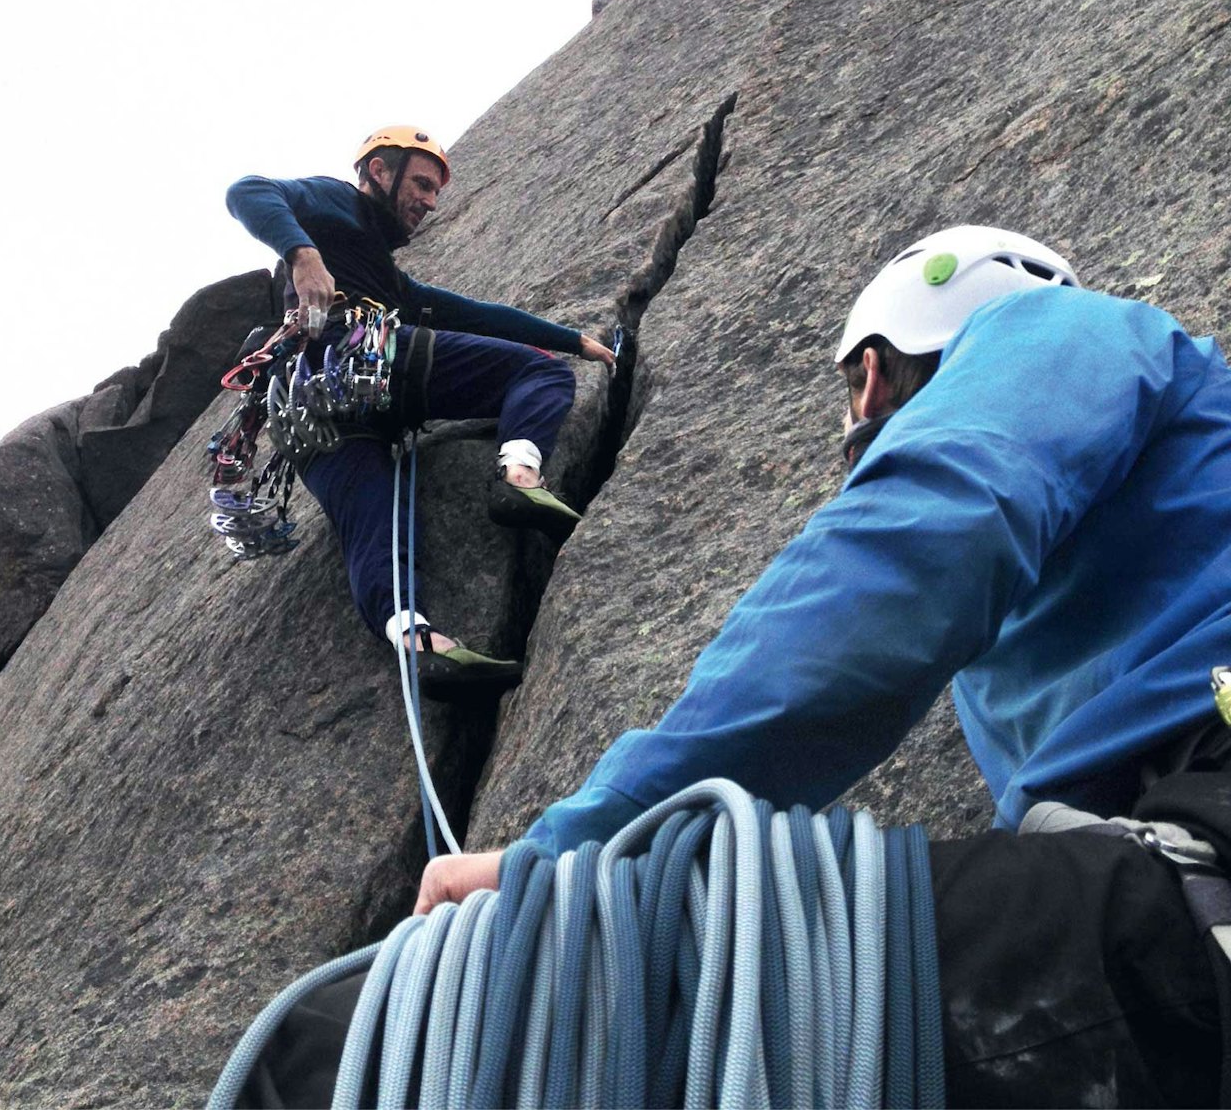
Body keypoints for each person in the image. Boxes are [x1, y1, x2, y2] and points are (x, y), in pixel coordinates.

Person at [416, 224, 1231, 1105]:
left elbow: (903, 560)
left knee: (640, 1006)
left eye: (852, 393)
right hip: (1166, 857)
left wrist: (570, 853)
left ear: (873, 373)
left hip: (1199, 831)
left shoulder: (1061, 325)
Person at [227, 124, 616, 696]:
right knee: (538, 372)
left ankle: (415, 641)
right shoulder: (339, 202)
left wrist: (572, 338)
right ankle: (519, 477)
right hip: (362, 359)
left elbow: (475, 314)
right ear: (378, 173)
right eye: (423, 184)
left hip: (306, 413)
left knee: (372, 526)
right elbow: (248, 189)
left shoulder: (389, 280)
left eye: (435, 194)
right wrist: (303, 255)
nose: (429, 203)